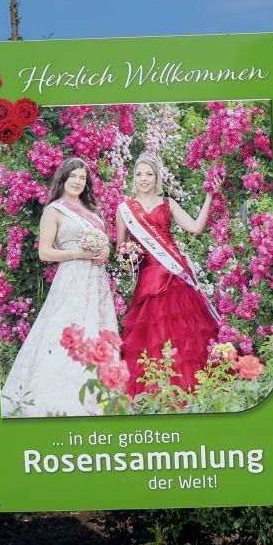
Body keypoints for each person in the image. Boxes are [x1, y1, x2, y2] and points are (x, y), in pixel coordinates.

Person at [1, 157, 118, 417]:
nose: (77, 181)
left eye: (82, 178)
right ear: (63, 179)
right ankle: (60, 399)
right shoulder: (54, 211)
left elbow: (104, 242)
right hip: (71, 279)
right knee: (67, 332)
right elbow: (45, 252)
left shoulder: (92, 210)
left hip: (96, 280)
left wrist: (105, 251)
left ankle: (97, 400)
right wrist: (79, 253)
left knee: (96, 333)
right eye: (73, 176)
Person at [116, 153, 220, 397]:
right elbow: (121, 248)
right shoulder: (124, 209)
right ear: (134, 178)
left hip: (176, 276)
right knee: (153, 338)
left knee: (184, 336)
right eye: (139, 174)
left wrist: (209, 196)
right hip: (149, 281)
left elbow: (195, 228)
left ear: (157, 178)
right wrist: (128, 258)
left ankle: (193, 390)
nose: (144, 179)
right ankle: (156, 394)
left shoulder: (168, 203)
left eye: (149, 174)